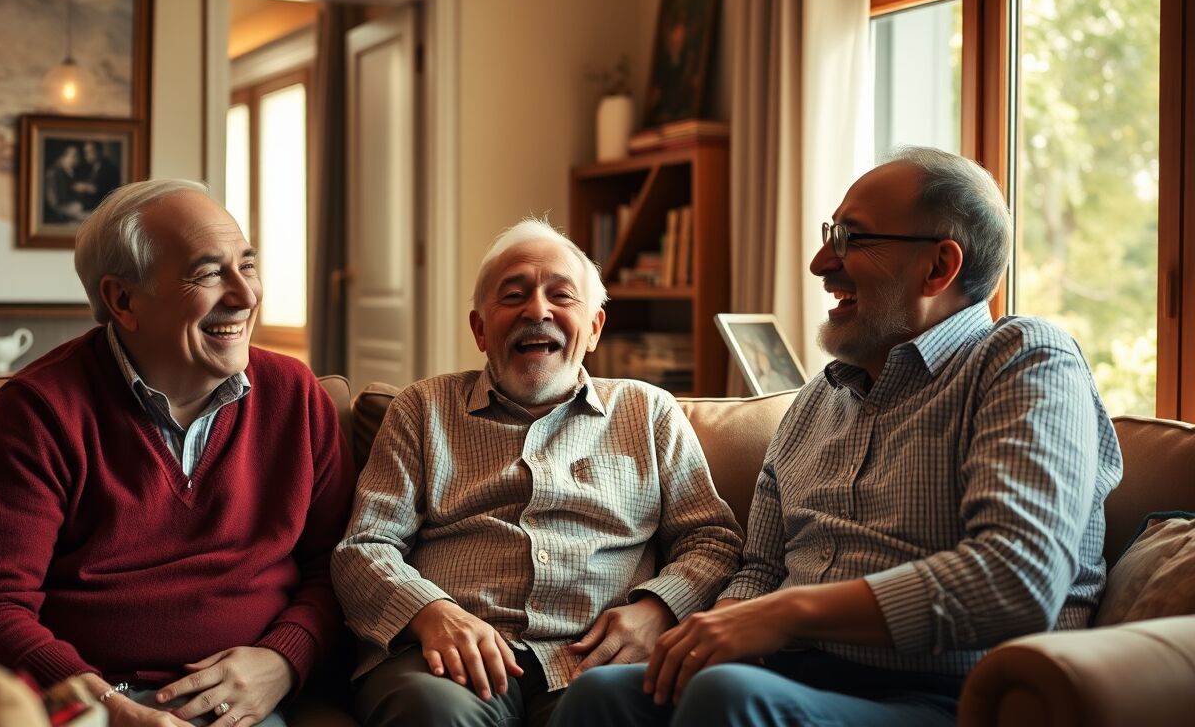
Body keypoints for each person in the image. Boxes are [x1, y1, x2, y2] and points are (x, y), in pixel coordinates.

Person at [552, 146, 1123, 727]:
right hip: (799, 674)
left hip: (959, 694)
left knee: (729, 700)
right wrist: (716, 630)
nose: (822, 261)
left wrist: (786, 615)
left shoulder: (1023, 360)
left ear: (938, 267)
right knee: (601, 697)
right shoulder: (816, 400)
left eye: (853, 237)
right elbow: (760, 571)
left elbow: (1015, 578)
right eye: (832, 233)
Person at [0, 179, 356, 727]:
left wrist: (285, 657)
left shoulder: (295, 396)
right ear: (123, 300)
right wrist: (108, 708)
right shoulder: (35, 414)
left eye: (246, 266)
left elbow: (339, 566)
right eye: (208, 273)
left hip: (241, 701)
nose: (246, 295)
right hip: (90, 697)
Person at [331, 219, 743, 727]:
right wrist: (431, 614)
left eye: (561, 296)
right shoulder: (422, 409)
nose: (537, 310)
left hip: (594, 661)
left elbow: (713, 539)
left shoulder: (649, 412)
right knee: (432, 712)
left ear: (593, 328)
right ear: (480, 329)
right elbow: (364, 547)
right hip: (448, 661)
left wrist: (659, 610)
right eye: (514, 295)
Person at [76, 140, 122, 211]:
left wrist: (87, 187)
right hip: (91, 206)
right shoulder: (90, 167)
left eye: (90, 152)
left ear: (99, 151)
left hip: (103, 207)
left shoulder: (109, 168)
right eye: (85, 152)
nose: (86, 155)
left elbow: (107, 191)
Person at [44, 144, 85, 223]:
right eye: (73, 156)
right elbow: (54, 204)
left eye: (78, 157)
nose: (77, 160)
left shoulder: (69, 172)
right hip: (57, 218)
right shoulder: (53, 173)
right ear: (63, 157)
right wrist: (78, 214)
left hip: (69, 213)